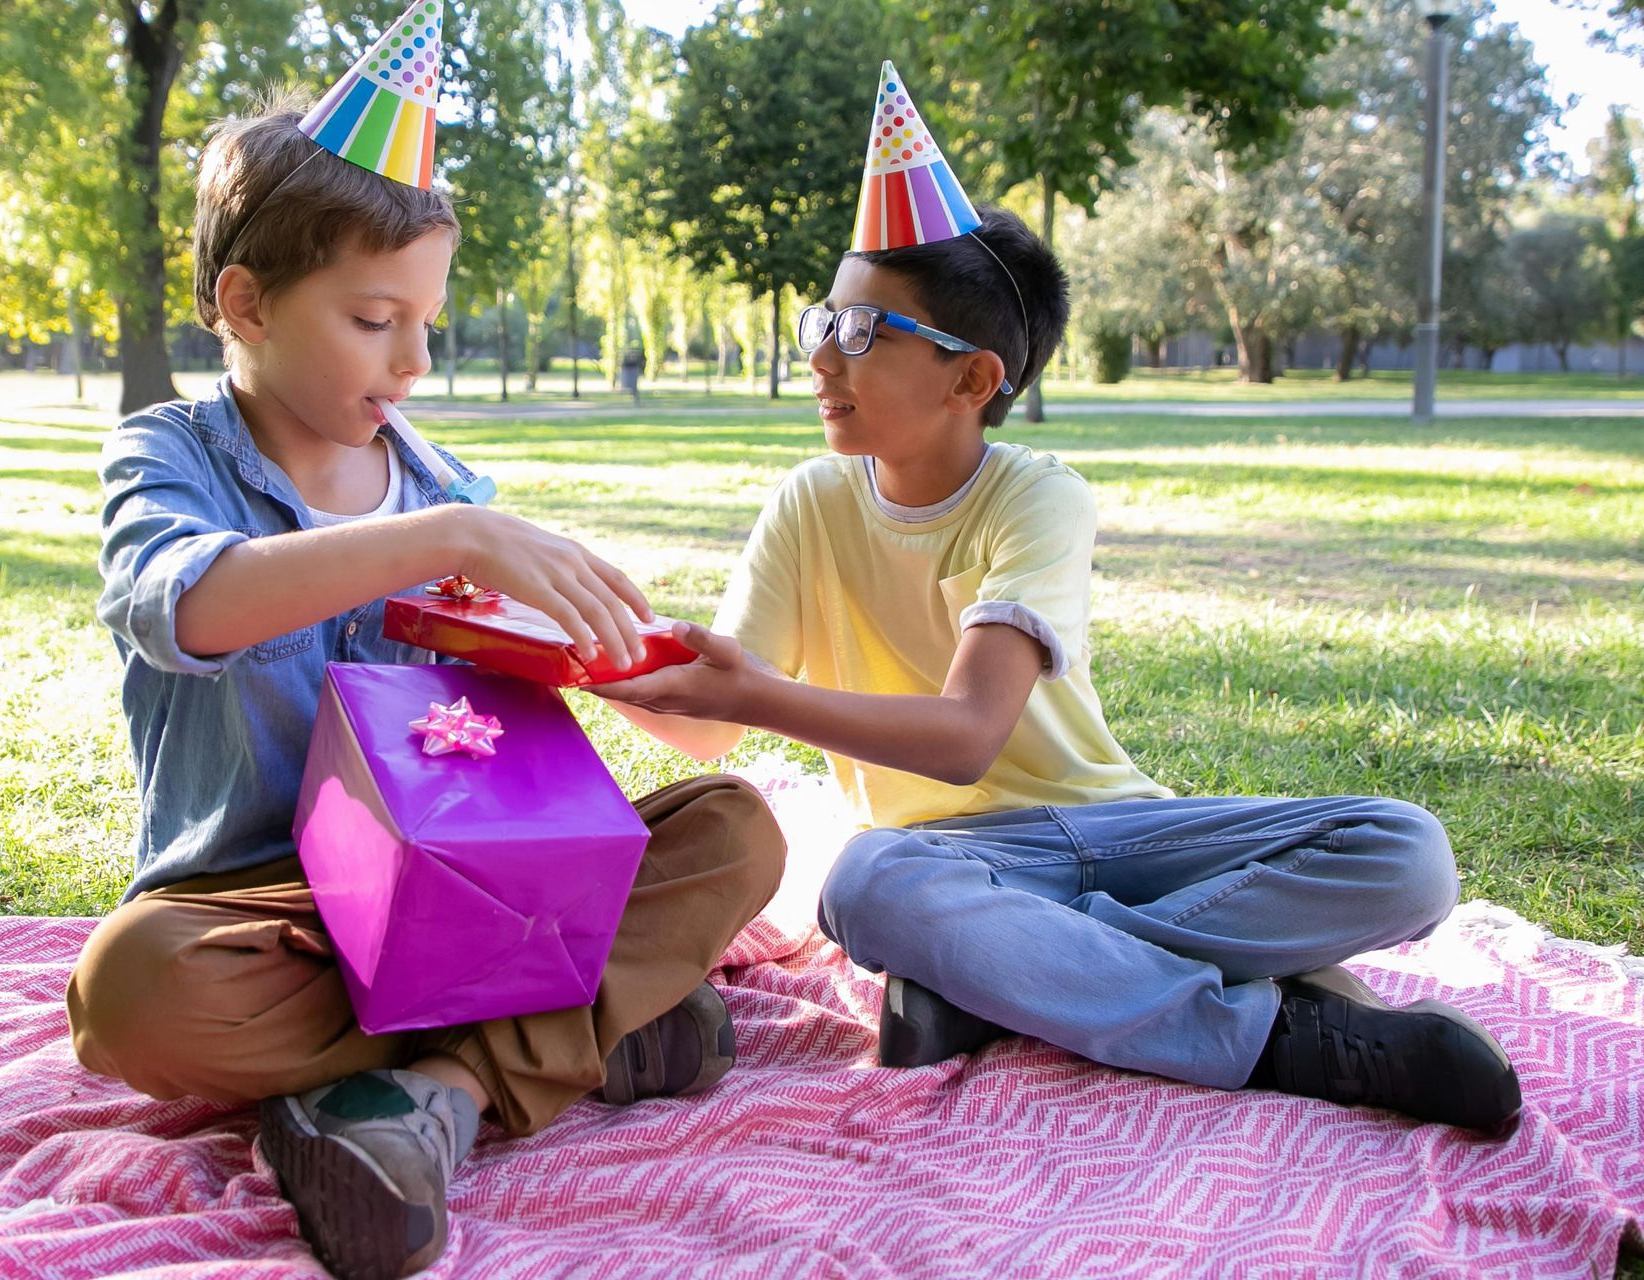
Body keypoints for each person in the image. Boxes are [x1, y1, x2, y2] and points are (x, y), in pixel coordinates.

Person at [594, 60, 1519, 1139]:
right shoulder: (810, 501)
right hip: (947, 861)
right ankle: (1278, 1037)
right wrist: (581, 662)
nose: (819, 355)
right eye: (821, 321)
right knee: (866, 882)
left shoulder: (1038, 495)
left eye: (859, 332)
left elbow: (966, 736)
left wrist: (762, 697)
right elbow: (711, 710)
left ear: (972, 380)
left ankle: (1008, 977)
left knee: (1407, 850)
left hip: (1118, 827)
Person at [64, 17, 785, 1280]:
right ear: (246, 303)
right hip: (257, 909)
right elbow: (194, 609)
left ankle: (436, 1095)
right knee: (124, 992)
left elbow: (649, 734)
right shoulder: (170, 454)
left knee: (737, 826)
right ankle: (584, 1033)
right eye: (374, 317)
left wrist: (650, 667)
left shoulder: (454, 489)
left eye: (429, 322)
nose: (413, 359)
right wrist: (439, 537)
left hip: (463, 892)